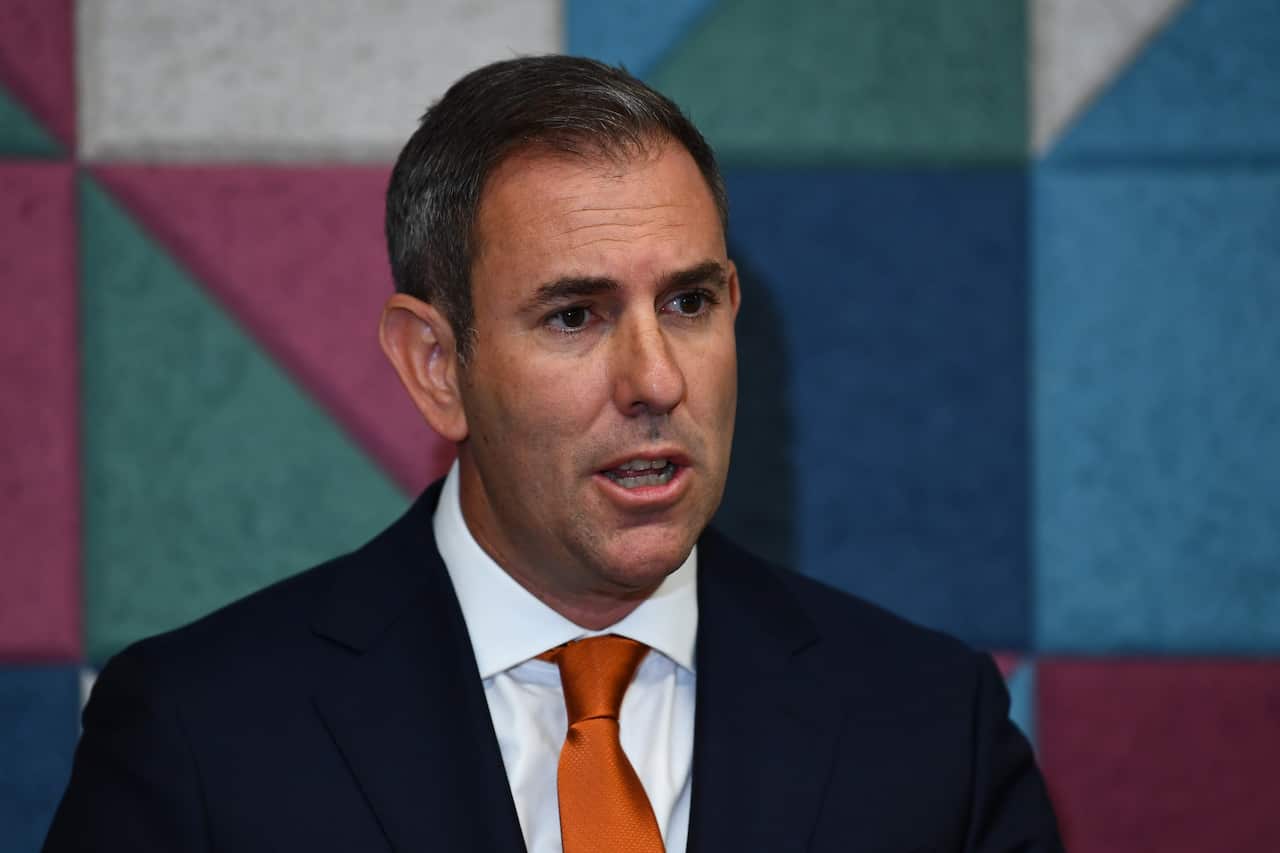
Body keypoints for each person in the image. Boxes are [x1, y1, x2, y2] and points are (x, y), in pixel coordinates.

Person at [44, 56, 1064, 852]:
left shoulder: (930, 726)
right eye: (575, 315)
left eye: (688, 302)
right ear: (437, 364)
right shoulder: (202, 734)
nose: (656, 379)